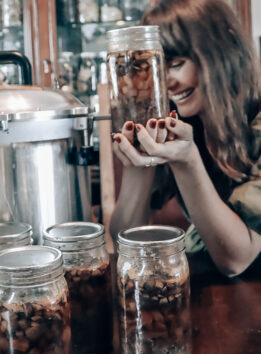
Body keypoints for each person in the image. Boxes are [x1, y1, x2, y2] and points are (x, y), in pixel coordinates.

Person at [109, 0, 261, 277]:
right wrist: (140, 160)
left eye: (177, 63)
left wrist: (187, 161)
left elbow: (237, 260)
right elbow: (128, 243)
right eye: (156, 68)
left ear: (224, 50)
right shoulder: (182, 122)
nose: (166, 83)